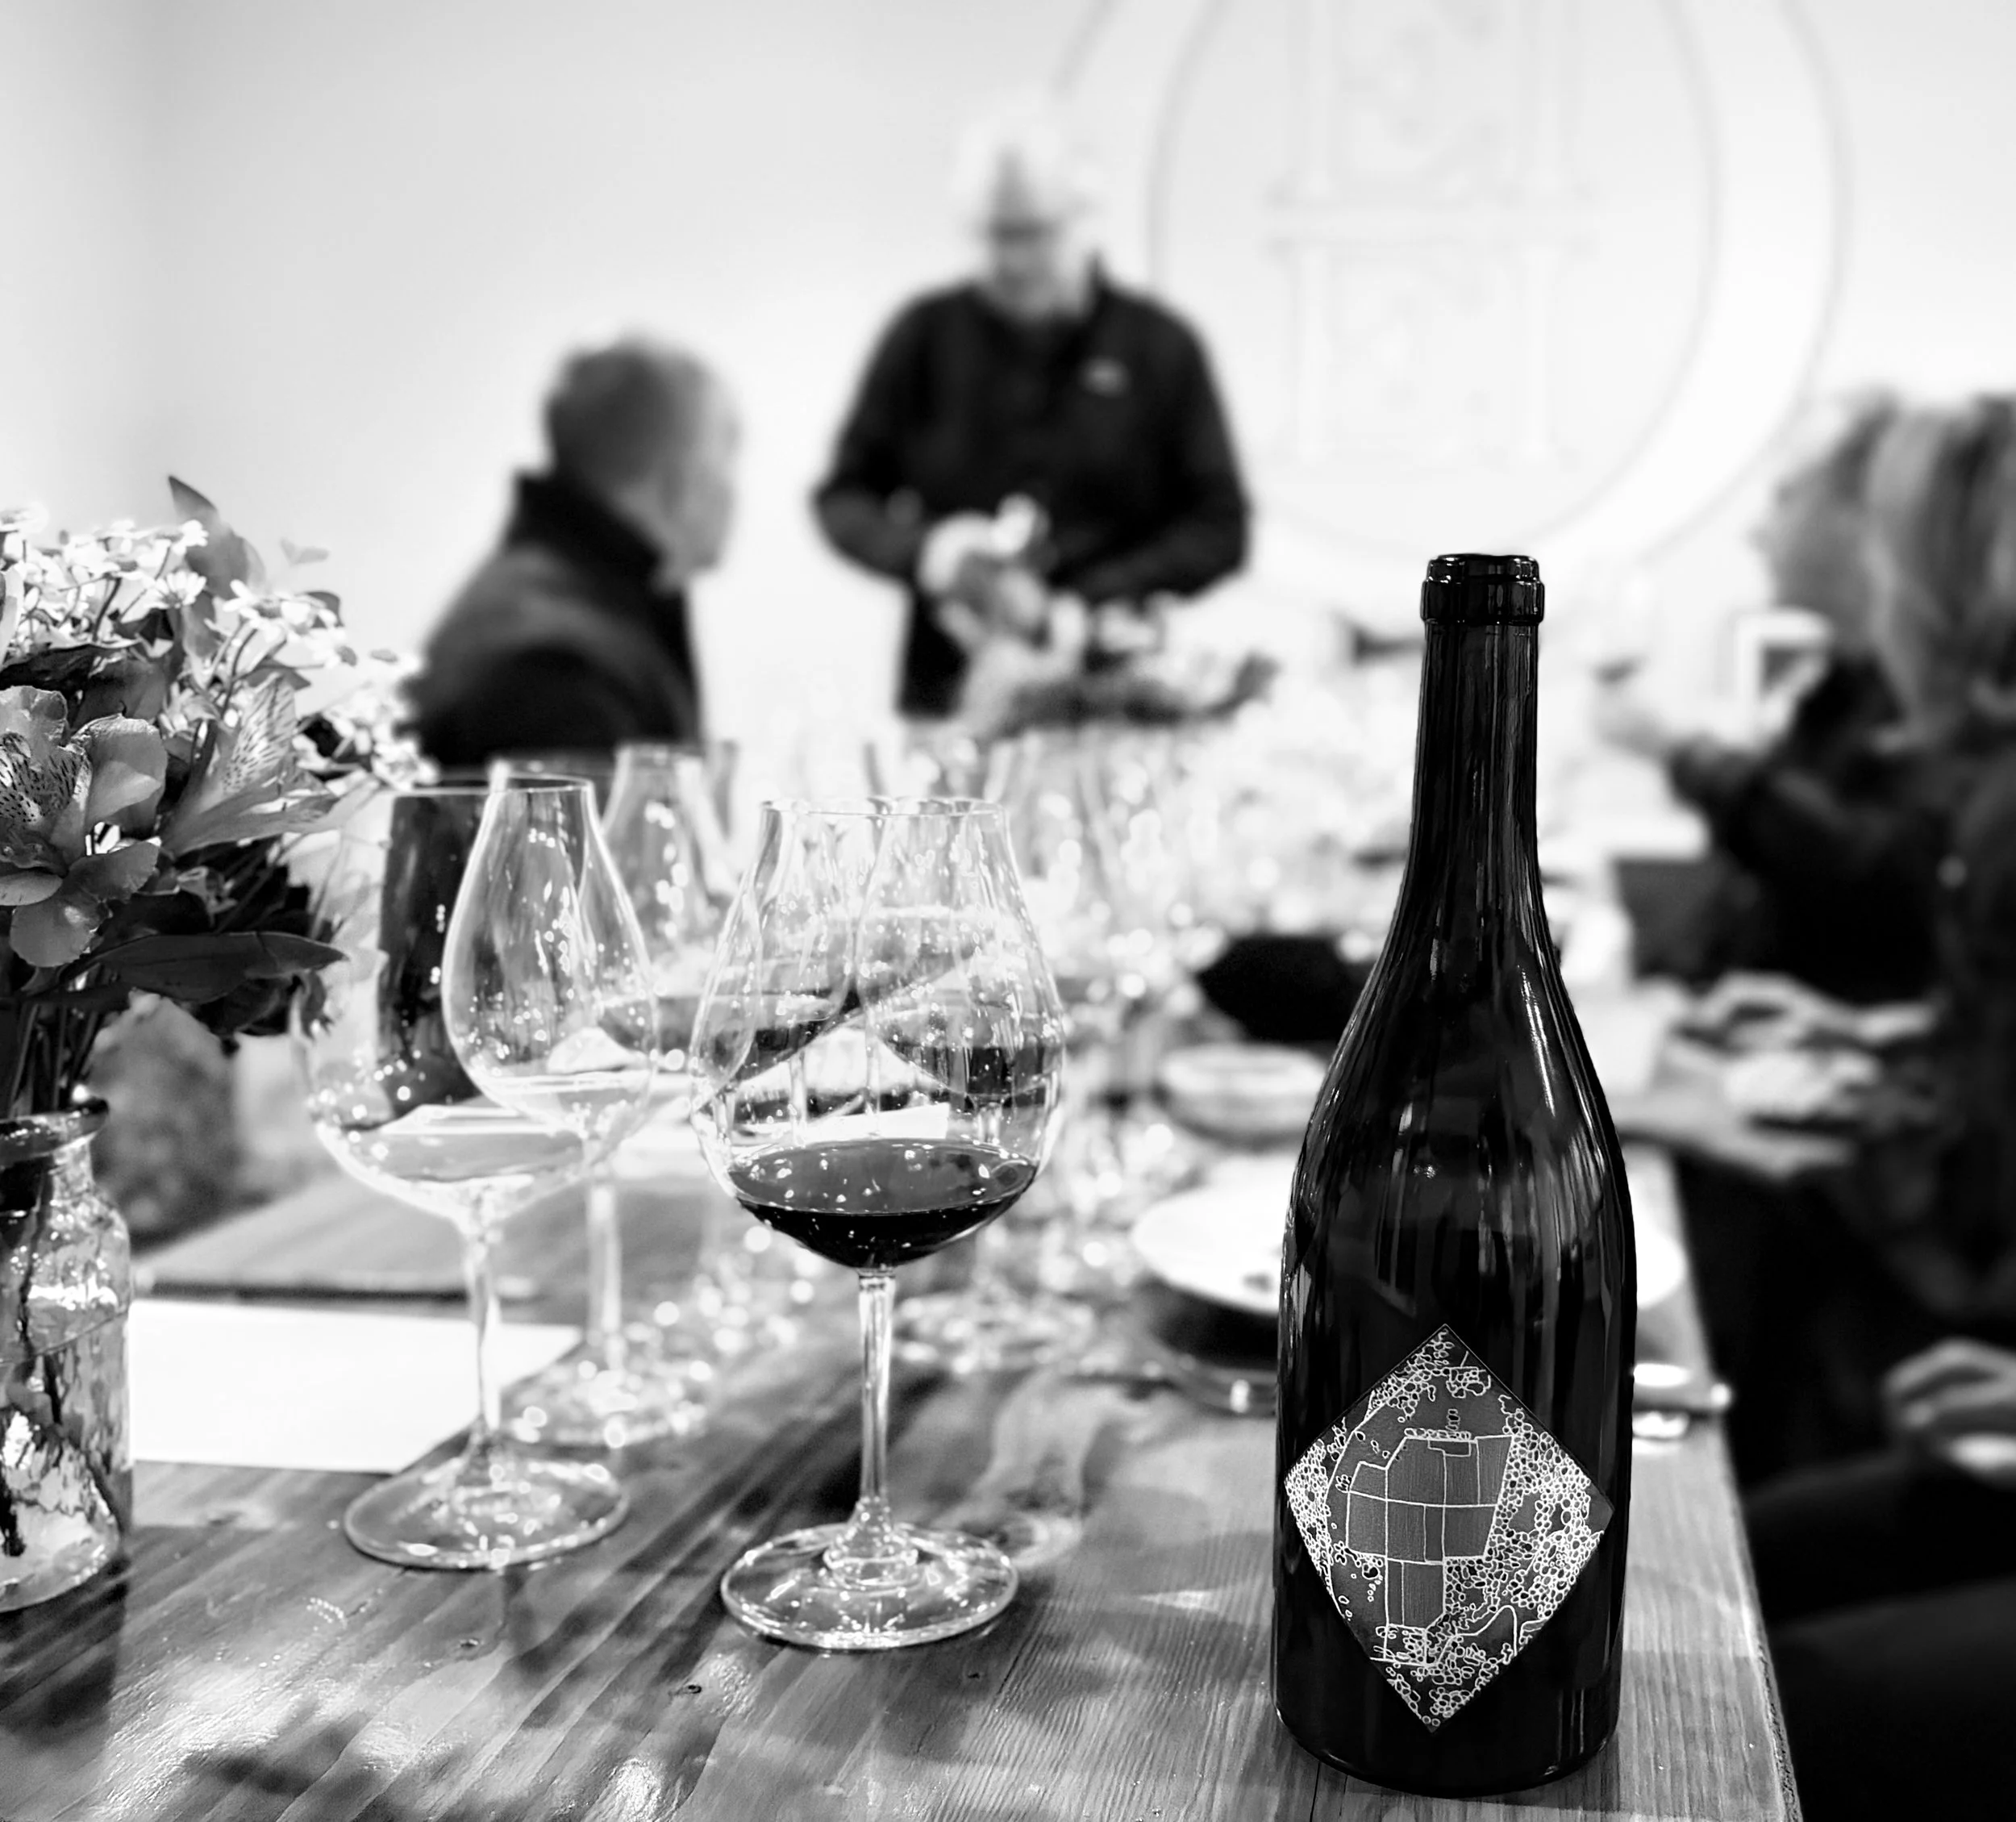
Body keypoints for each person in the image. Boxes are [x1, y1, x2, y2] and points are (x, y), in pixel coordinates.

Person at [814, 96, 1249, 719]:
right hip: (946, 694)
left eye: (1033, 234)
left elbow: (1220, 526)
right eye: (995, 234)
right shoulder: (922, 336)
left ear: (1084, 218)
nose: (1012, 260)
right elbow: (842, 498)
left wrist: (1076, 603)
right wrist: (934, 553)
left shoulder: (1161, 347)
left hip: (1115, 692)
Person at [1595, 394, 1944, 1003]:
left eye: (1785, 497)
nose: (1755, 533)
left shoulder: (1932, 692)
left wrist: (1684, 752)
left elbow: (1876, 874)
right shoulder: (1841, 685)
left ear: (1859, 517)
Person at [409, 337, 735, 768]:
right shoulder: (559, 672)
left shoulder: (553, 600)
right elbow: (578, 834)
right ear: (682, 484)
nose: (734, 493)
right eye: (728, 459)